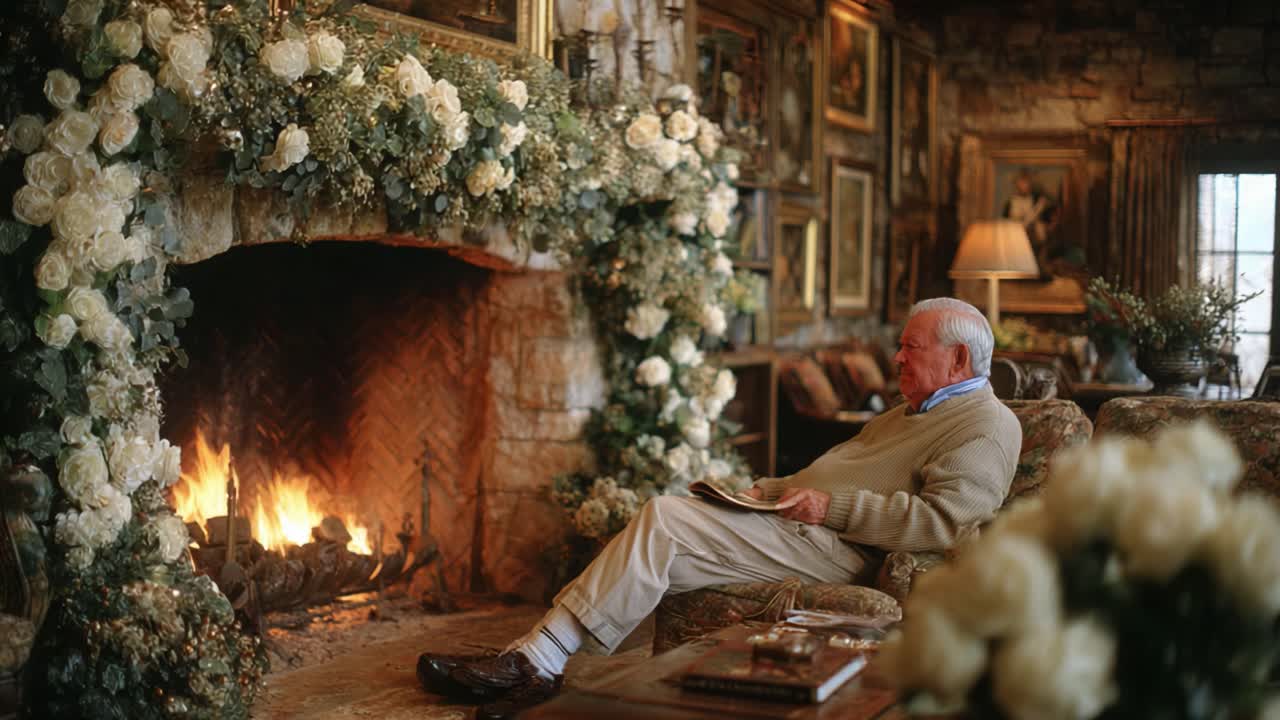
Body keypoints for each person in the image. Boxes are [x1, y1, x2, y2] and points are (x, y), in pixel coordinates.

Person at [416, 297, 1022, 719]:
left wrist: (829, 506)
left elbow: (944, 523)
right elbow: (836, 471)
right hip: (801, 525)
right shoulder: (915, 410)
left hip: (838, 550)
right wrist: (758, 490)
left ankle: (534, 663)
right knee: (656, 551)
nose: (897, 359)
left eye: (910, 349)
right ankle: (538, 665)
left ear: (960, 360)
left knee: (664, 518)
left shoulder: (986, 425)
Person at [1002, 168, 1058, 271]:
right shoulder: (1011, 203)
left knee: (1039, 230)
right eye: (1021, 182)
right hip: (1015, 234)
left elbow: (1049, 217)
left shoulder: (1037, 199)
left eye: (1026, 182)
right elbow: (1009, 221)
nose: (1023, 185)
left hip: (1034, 236)